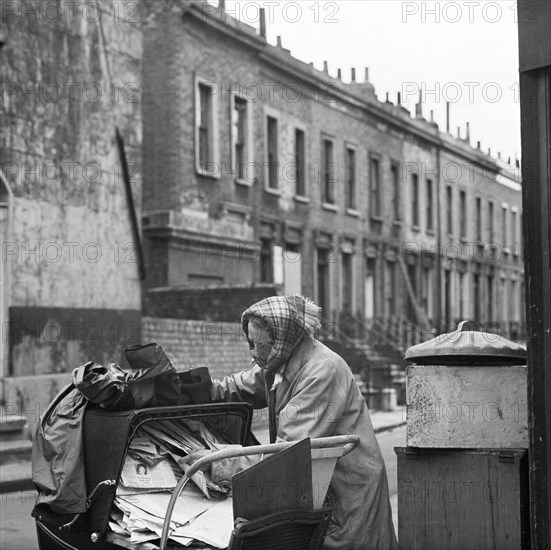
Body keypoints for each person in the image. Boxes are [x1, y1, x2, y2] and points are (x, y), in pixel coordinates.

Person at [209, 294, 398, 550]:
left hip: (346, 497)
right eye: (249, 344)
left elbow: (286, 457)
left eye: (256, 345)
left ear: (279, 341)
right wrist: (185, 388)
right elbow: (237, 387)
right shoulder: (280, 360)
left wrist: (217, 462)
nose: (252, 355)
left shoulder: (322, 371)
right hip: (320, 490)